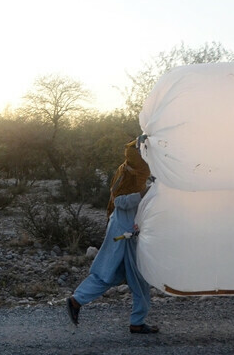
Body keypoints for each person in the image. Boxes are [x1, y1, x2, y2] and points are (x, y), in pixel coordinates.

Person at [66, 139, 159, 334]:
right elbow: (119, 201)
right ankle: (137, 322)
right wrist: (143, 194)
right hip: (125, 235)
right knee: (136, 277)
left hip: (126, 231)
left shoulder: (134, 173)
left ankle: (77, 300)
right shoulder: (129, 175)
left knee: (110, 274)